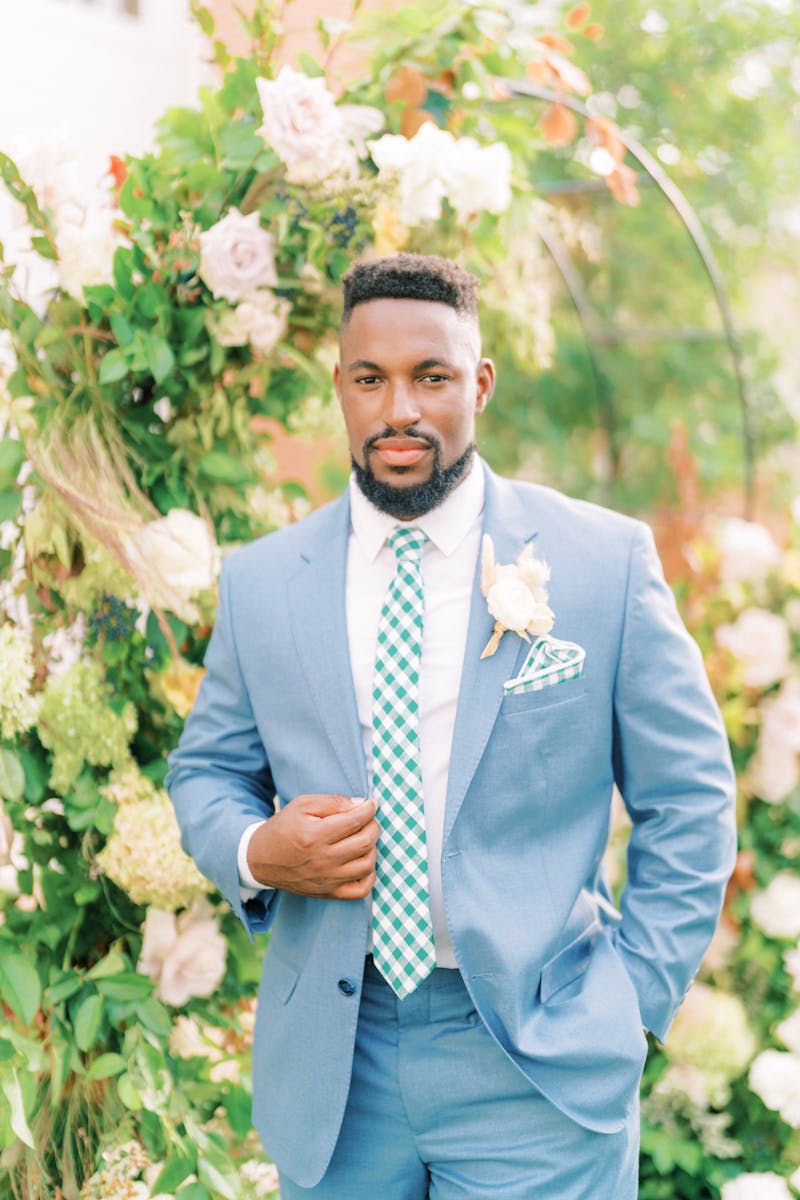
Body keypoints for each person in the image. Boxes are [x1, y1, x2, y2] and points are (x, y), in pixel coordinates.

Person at [166, 252, 737, 1198]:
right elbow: (207, 770)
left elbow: (690, 797)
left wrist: (633, 999)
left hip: (535, 1056)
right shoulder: (263, 581)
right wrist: (259, 849)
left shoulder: (604, 564)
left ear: (478, 383)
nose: (400, 409)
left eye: (430, 377)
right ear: (341, 389)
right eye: (370, 379)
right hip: (337, 1070)